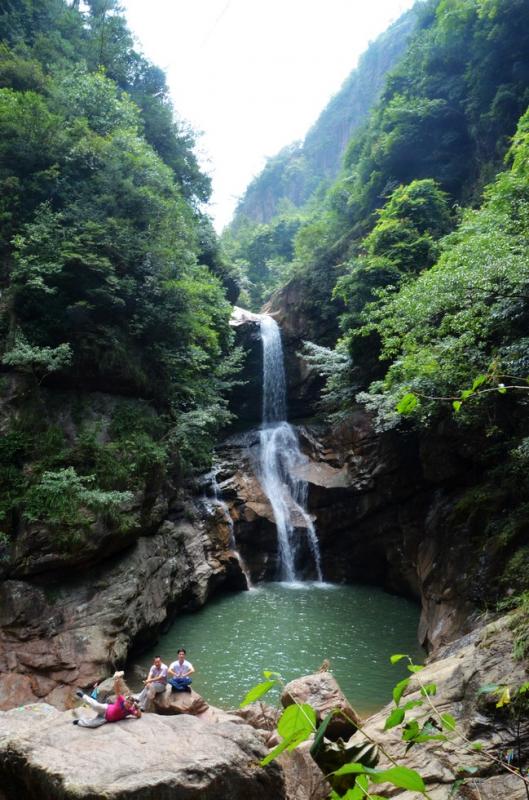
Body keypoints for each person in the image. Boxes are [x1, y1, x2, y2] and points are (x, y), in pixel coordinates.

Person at [73, 672, 141, 728]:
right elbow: (117, 691)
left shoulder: (130, 710)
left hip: (106, 718)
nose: (128, 704)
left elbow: (138, 716)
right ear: (126, 701)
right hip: (106, 709)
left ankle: (79, 722)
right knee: (96, 705)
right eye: (128, 702)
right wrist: (116, 681)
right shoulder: (121, 700)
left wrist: (138, 709)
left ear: (131, 705)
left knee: (94, 724)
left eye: (130, 704)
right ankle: (82, 695)